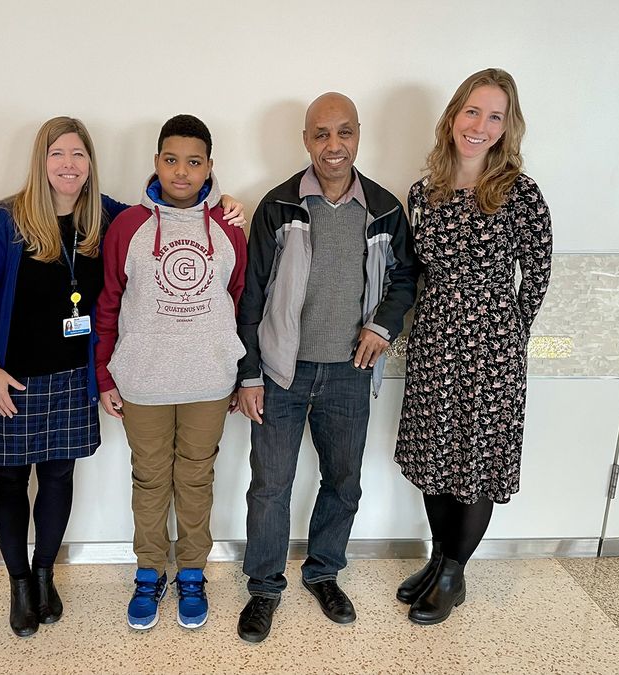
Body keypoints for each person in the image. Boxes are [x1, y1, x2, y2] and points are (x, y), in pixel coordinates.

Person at [0, 116, 247, 638]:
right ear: (41, 161)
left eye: (78, 155)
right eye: (57, 154)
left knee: (58, 479)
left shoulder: (107, 218)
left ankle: (47, 576)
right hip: (13, 376)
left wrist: (227, 206)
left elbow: (210, 261)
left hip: (72, 377)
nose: (68, 165)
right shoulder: (8, 219)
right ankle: (21, 584)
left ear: (90, 164)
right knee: (9, 481)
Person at [234, 93, 419, 643]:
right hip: (280, 374)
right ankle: (264, 589)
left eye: (343, 133)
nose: (333, 146)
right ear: (306, 140)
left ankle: (323, 573)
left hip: (348, 373)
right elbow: (250, 295)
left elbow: (406, 278)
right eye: (321, 134)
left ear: (359, 135)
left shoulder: (384, 208)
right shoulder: (278, 206)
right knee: (270, 486)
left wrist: (381, 326)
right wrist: (248, 374)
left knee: (344, 482)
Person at [393, 68, 552, 625]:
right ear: (453, 116)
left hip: (491, 353)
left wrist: (506, 334)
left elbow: (536, 275)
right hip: (434, 343)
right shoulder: (424, 191)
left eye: (495, 116)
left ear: (507, 128)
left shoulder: (520, 194)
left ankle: (455, 574)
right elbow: (414, 269)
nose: (480, 126)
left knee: (475, 464)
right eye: (472, 112)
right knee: (435, 458)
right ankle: (439, 560)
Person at [95, 114, 248, 632]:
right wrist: (105, 376)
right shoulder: (128, 227)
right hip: (143, 381)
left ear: (209, 167)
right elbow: (110, 304)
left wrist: (234, 367)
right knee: (150, 479)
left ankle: (191, 573)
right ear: (156, 162)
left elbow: (238, 298)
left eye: (194, 162)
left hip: (208, 381)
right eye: (171, 160)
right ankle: (147, 571)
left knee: (197, 478)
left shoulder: (229, 228)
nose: (181, 172)